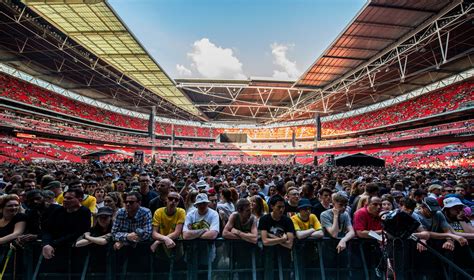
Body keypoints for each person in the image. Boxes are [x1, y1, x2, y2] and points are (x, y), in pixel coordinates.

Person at [41, 188, 91, 259]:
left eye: (69, 198)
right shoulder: (57, 210)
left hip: (74, 252)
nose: (65, 200)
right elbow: (47, 229)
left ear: (79, 200)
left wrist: (53, 244)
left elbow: (79, 232)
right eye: (65, 198)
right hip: (53, 250)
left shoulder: (84, 212)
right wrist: (46, 244)